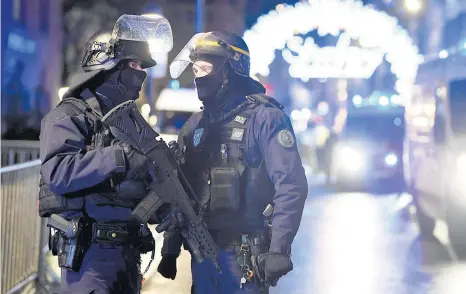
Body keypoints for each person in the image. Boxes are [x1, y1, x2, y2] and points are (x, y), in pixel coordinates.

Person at [157, 31, 308, 294]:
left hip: (244, 254)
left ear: (230, 70)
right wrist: (170, 249)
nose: (198, 76)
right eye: (194, 68)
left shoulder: (265, 119)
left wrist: (279, 250)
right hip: (203, 254)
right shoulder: (195, 126)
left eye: (206, 68)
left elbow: (291, 186)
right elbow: (180, 191)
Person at [38, 15, 174, 294]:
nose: (141, 73)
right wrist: (119, 157)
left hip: (127, 255)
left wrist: (166, 204)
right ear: (108, 68)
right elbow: (57, 173)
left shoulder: (131, 124)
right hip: (90, 258)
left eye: (142, 66)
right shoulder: (69, 115)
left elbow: (139, 188)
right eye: (133, 65)